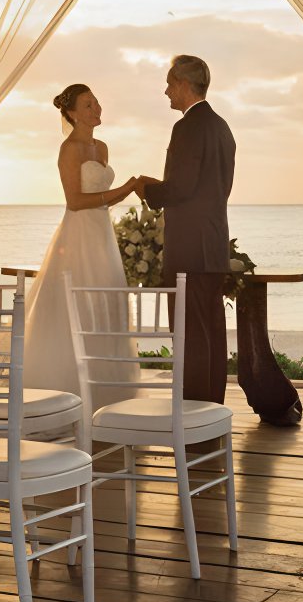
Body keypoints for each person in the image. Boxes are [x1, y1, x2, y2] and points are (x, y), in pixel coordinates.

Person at [22, 84, 141, 406]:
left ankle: (107, 390)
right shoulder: (69, 149)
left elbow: (100, 199)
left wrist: (124, 194)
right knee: (79, 307)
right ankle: (67, 393)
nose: (96, 108)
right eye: (88, 105)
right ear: (72, 113)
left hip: (103, 235)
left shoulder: (102, 147)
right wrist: (128, 187)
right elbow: (75, 201)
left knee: (108, 304)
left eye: (97, 102)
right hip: (78, 236)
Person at [135, 55, 236, 404]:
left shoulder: (187, 127)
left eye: (169, 83)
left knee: (190, 336)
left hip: (189, 251)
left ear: (183, 83)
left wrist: (147, 189)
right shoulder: (222, 127)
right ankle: (212, 410)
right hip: (213, 247)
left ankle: (193, 414)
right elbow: (215, 189)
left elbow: (180, 189)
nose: (166, 91)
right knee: (211, 335)